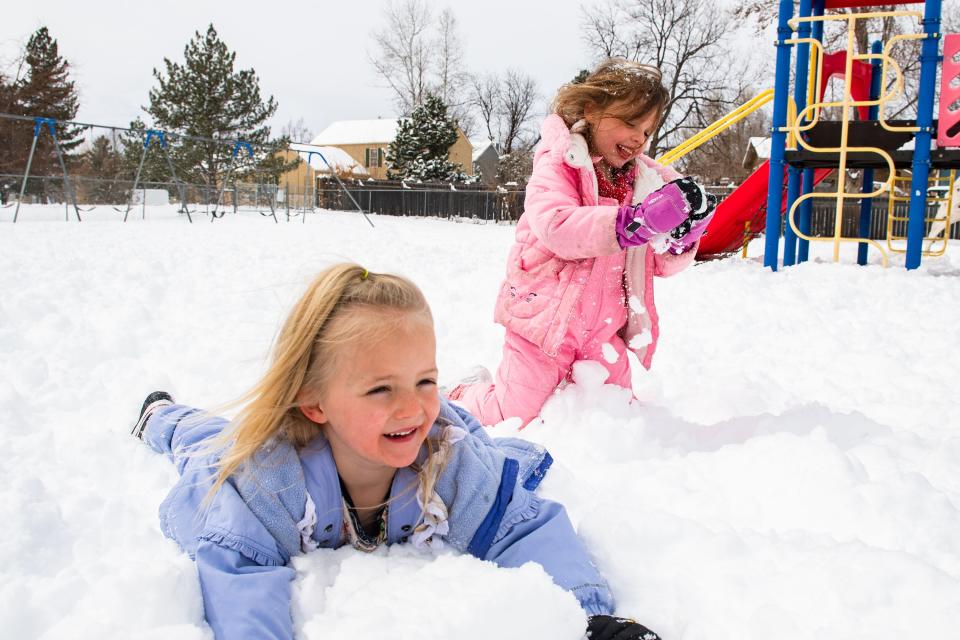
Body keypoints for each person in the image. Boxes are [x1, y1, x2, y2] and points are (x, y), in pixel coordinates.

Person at [131, 263, 662, 640]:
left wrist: (588, 618)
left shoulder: (445, 455)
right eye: (381, 389)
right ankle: (163, 415)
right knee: (208, 442)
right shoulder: (267, 480)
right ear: (314, 401)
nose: (412, 408)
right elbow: (239, 573)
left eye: (425, 380)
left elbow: (519, 526)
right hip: (238, 449)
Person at [449, 59, 717, 427]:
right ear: (592, 109)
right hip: (543, 321)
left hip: (604, 329)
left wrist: (684, 235)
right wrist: (635, 221)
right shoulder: (559, 162)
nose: (639, 138)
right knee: (512, 414)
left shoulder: (646, 181)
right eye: (629, 122)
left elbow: (656, 263)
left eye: (647, 129)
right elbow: (557, 226)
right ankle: (463, 394)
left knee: (622, 416)